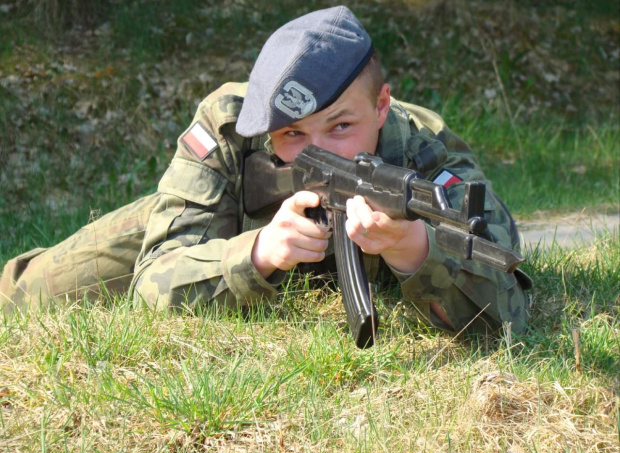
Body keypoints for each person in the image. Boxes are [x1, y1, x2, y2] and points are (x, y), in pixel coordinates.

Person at [0, 6, 531, 334]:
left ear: (382, 105)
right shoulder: (231, 130)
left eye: (339, 126)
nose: (315, 151)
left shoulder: (428, 157)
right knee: (26, 294)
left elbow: (508, 306)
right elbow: (151, 286)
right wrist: (256, 253)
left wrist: (411, 249)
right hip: (223, 220)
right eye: (292, 134)